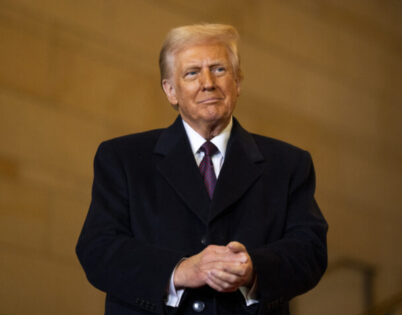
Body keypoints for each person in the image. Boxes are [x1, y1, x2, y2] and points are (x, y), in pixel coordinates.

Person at [76, 24, 328, 315]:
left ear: (238, 82)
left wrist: (253, 269)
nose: (207, 82)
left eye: (219, 69)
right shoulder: (123, 158)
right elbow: (98, 249)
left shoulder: (288, 164)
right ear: (171, 91)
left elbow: (310, 250)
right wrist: (181, 270)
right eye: (192, 72)